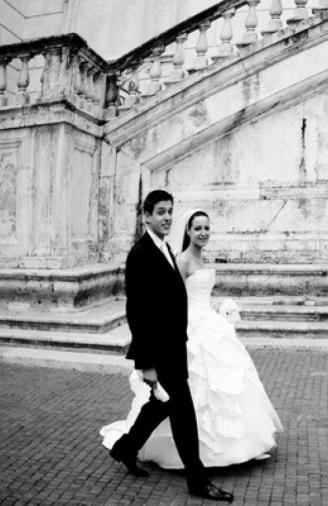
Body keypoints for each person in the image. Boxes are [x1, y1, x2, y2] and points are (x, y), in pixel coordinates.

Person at [102, 208, 283, 471]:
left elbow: (199, 295)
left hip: (209, 325)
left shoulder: (203, 260)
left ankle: (128, 448)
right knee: (176, 400)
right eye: (197, 228)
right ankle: (190, 466)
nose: (203, 233)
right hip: (185, 333)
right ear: (187, 231)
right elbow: (172, 300)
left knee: (172, 401)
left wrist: (220, 311)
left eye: (206, 228)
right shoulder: (181, 260)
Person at [101, 190, 234, 502]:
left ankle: (125, 448)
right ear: (146, 215)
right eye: (161, 212)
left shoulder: (165, 247)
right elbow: (138, 311)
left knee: (161, 405)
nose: (167, 217)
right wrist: (145, 363)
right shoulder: (140, 254)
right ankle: (197, 481)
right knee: (184, 414)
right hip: (160, 351)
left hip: (175, 346)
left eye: (170, 211)